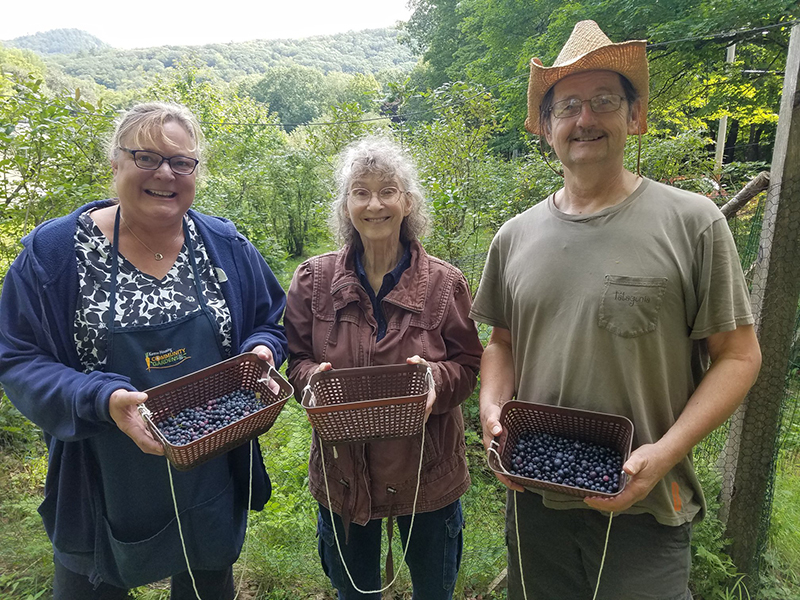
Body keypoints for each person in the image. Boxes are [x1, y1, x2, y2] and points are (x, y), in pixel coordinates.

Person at [470, 20, 762, 600]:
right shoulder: (515, 236)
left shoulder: (691, 222)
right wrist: (491, 404)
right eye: (569, 105)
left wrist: (664, 453)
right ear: (545, 126)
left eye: (604, 101)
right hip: (535, 499)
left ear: (633, 117)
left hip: (647, 505)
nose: (586, 119)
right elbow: (502, 342)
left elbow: (738, 357)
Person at [0, 102, 288, 599]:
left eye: (182, 162)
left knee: (206, 580)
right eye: (146, 157)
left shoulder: (223, 244)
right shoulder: (56, 254)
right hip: (101, 473)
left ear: (195, 172)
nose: (165, 173)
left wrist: (261, 349)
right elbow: (17, 358)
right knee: (89, 587)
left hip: (208, 466)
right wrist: (100, 399)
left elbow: (269, 321)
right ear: (115, 164)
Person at [285, 136, 483, 600]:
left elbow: (468, 364)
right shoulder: (312, 281)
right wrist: (312, 380)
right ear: (346, 204)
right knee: (354, 592)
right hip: (343, 471)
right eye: (360, 191)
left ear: (407, 201)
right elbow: (295, 358)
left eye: (388, 190)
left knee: (434, 590)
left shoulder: (444, 282)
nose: (375, 204)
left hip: (427, 471)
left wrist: (438, 379)